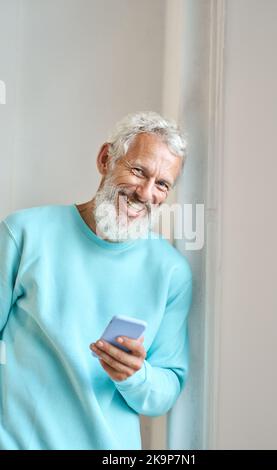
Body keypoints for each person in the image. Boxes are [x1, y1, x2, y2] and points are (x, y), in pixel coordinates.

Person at [0, 111, 193, 450]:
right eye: (138, 171)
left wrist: (136, 375)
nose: (146, 194)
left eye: (162, 184)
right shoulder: (23, 233)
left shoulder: (171, 271)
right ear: (106, 158)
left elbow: (166, 388)